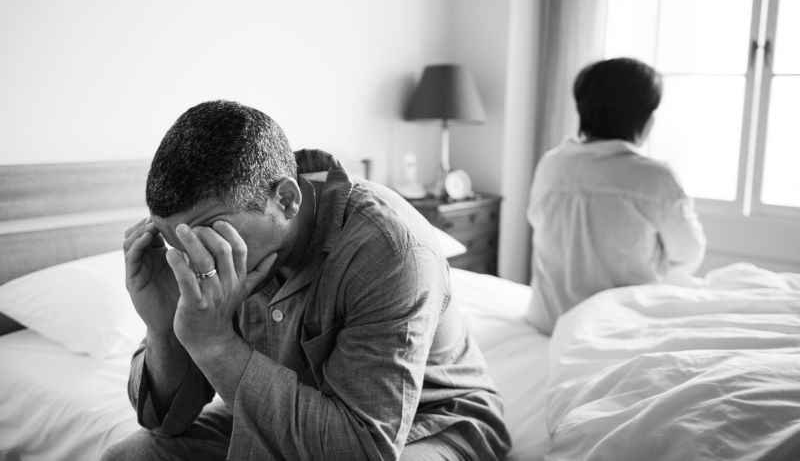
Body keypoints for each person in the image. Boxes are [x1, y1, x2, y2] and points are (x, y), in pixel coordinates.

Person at [101, 100, 511, 461]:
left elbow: (362, 448)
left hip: (427, 420)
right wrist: (165, 327)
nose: (197, 259)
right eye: (179, 244)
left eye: (213, 235)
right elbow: (165, 424)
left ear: (286, 199)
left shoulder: (391, 248)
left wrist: (214, 343)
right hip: (279, 408)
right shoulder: (206, 255)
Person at [526, 57, 706, 335]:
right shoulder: (654, 177)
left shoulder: (550, 164)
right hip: (616, 327)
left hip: (547, 321)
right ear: (644, 117)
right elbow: (688, 254)